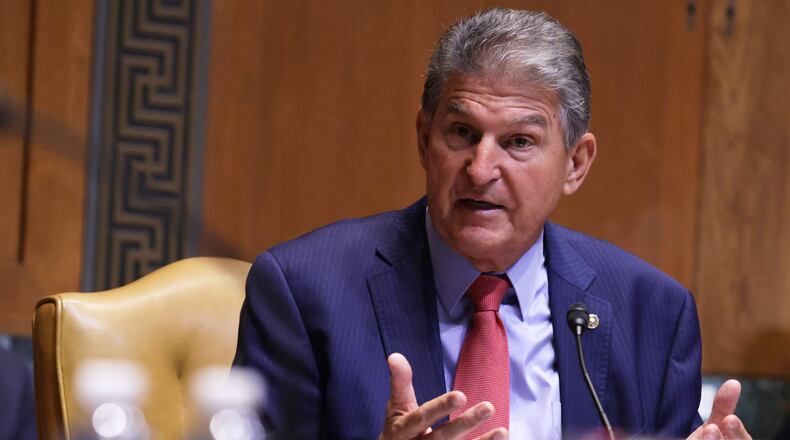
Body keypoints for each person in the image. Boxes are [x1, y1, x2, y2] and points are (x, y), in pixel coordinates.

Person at [234, 8, 751, 439]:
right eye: (461, 131)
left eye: (519, 142)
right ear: (423, 138)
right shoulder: (305, 291)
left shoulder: (653, 314)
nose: (480, 170)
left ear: (576, 163)